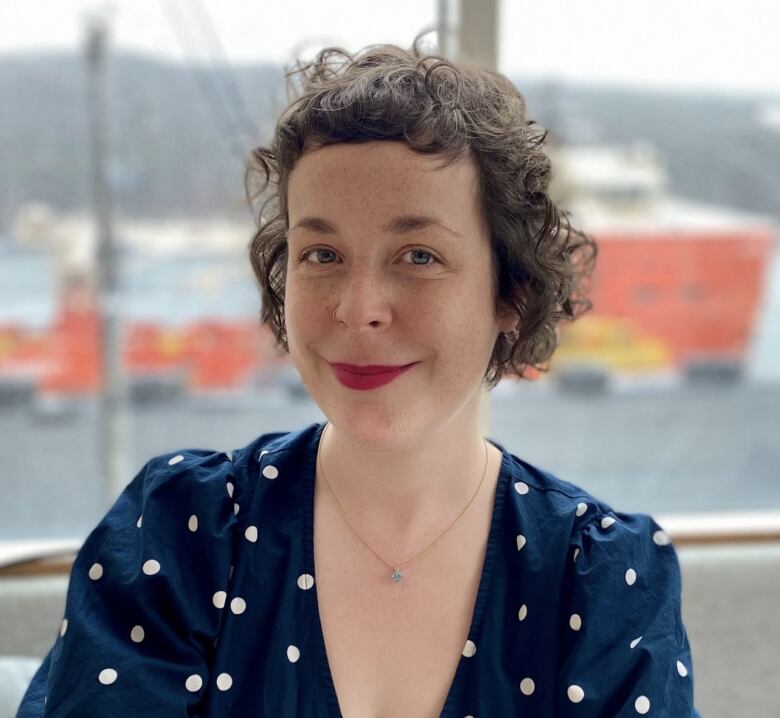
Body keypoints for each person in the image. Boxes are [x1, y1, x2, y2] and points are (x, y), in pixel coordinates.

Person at [17, 33, 702, 717]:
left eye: (419, 256)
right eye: (321, 254)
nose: (357, 308)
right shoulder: (183, 534)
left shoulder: (605, 580)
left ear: (510, 294)